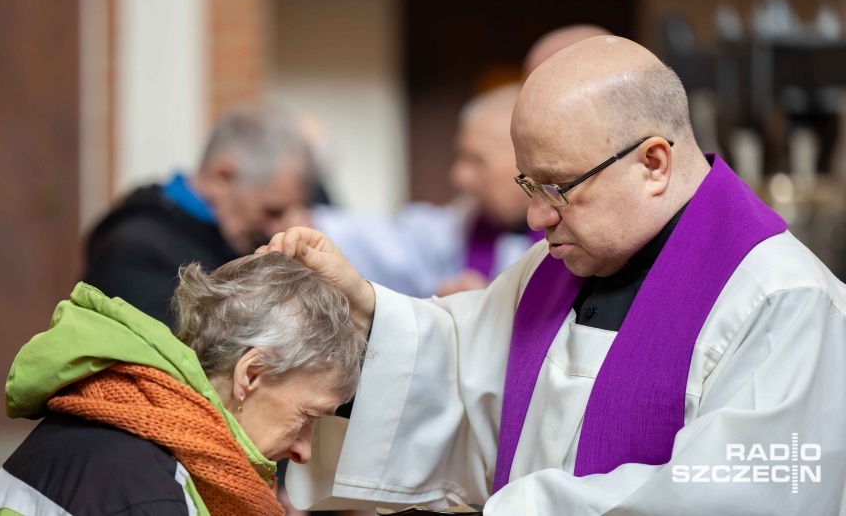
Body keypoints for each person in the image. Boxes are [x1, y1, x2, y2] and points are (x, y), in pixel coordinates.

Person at [262, 36, 846, 514]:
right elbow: (464, 372)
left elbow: (737, 498)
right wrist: (362, 304)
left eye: (558, 188)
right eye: (528, 185)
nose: (537, 218)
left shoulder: (784, 301)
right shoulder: (559, 263)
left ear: (653, 164)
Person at [0, 252, 367, 515]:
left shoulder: (116, 415)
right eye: (307, 416)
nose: (304, 451)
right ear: (250, 374)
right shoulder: (153, 493)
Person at [310, 25, 611, 298]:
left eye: (477, 160)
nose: (460, 177)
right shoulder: (469, 222)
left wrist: (494, 303)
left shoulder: (599, 221)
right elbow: (401, 241)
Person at [83, 104, 315, 328]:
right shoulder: (135, 252)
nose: (276, 228)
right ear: (221, 178)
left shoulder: (234, 242)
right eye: (271, 211)